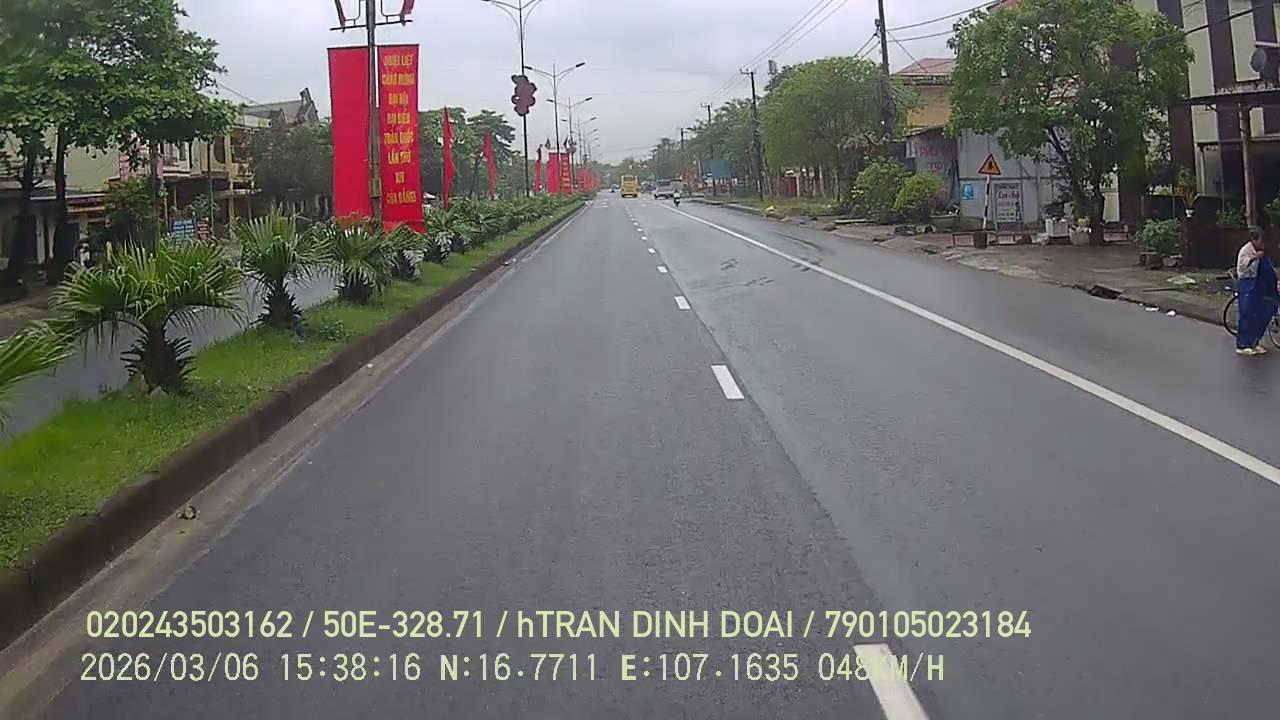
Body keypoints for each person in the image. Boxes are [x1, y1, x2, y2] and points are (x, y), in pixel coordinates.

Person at [1235, 227, 1279, 356]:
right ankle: (1242, 344)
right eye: (1260, 240)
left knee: (1256, 313)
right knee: (1246, 314)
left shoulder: (1260, 252)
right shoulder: (1246, 250)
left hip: (1255, 283)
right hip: (1246, 282)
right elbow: (1242, 267)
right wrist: (1254, 258)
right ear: (1254, 240)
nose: (1262, 243)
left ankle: (1253, 342)